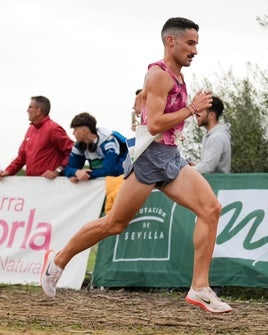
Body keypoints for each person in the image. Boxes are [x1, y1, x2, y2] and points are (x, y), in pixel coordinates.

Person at [41, 17, 232, 314]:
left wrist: (186, 108)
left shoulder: (179, 76)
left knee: (211, 209)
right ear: (171, 41)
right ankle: (58, 260)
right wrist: (192, 108)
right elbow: (154, 123)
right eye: (190, 43)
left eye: (197, 43)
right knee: (114, 224)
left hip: (170, 157)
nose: (195, 50)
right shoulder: (159, 75)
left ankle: (200, 288)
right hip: (150, 158)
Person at [0, 96, 73, 179]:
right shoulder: (30, 130)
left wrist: (57, 171)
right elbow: (21, 157)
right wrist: (8, 171)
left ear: (38, 110)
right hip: (32, 186)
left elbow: (73, 153)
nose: (27, 110)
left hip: (51, 186)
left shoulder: (53, 129)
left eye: (30, 107)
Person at [64, 112, 126, 183]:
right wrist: (76, 172)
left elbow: (110, 170)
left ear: (84, 131)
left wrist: (86, 175)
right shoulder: (79, 145)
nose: (73, 133)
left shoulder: (109, 140)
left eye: (75, 130)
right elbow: (68, 168)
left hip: (123, 181)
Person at [191, 96, 231, 173]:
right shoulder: (211, 135)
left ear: (212, 115)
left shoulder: (217, 137)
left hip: (218, 184)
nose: (196, 115)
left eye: (200, 112)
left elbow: (207, 168)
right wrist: (196, 167)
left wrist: (184, 171)